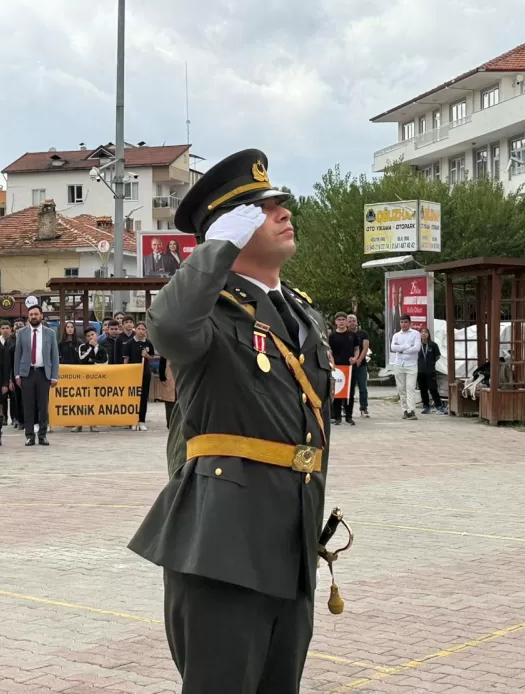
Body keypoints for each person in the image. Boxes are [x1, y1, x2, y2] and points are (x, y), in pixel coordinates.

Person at [128, 148, 333, 693]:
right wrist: (215, 249)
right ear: (230, 227)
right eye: (262, 208)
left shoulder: (301, 312)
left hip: (290, 540)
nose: (283, 211)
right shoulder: (209, 312)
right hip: (223, 545)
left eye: (279, 202)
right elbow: (169, 326)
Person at [13, 305, 60, 447]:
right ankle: (29, 436)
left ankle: (42, 435)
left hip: (43, 373)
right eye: (31, 314)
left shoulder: (50, 333)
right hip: (26, 373)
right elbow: (17, 355)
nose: (33, 316)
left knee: (43, 406)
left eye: (36, 314)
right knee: (28, 406)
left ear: (41, 315)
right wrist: (17, 375)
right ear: (28, 316)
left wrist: (54, 376)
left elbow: (54, 355)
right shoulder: (21, 333)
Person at [124, 321, 157, 431]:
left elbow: (152, 359)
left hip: (145, 374)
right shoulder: (129, 343)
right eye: (139, 329)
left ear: (146, 331)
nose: (141, 331)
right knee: (133, 397)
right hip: (133, 374)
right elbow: (126, 360)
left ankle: (142, 421)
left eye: (143, 329)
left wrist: (147, 355)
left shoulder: (148, 343)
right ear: (135, 329)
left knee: (143, 398)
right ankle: (133, 420)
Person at [328, 312, 357, 426]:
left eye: (343, 319)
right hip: (337, 368)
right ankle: (337, 417)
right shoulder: (332, 336)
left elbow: (356, 349)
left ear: (346, 321)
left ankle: (349, 416)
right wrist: (332, 363)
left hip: (349, 367)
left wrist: (355, 358)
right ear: (335, 322)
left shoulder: (352, 335)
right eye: (339, 319)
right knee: (337, 392)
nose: (341, 321)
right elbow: (329, 351)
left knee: (350, 392)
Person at [390, 314, 421, 420]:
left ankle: (411, 410)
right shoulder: (396, 335)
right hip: (399, 364)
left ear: (410, 323)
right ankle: (405, 410)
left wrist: (402, 350)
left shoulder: (415, 334)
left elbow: (416, 348)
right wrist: (406, 347)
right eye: (402, 322)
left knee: (410, 387)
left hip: (411, 364)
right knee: (401, 388)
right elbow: (393, 347)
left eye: (406, 322)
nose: (404, 324)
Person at [418, 327, 447, 414]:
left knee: (433, 389)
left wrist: (430, 362)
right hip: (420, 371)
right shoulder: (417, 345)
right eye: (421, 332)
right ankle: (426, 407)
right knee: (423, 390)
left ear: (428, 334)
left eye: (425, 332)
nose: (423, 334)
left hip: (430, 371)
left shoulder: (433, 345)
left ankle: (439, 407)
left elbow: (437, 356)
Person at [347, 314, 371, 418]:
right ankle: (346, 408)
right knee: (348, 388)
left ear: (356, 322)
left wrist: (359, 359)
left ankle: (364, 408)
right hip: (348, 364)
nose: (352, 323)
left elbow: (365, 348)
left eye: (353, 321)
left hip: (361, 365)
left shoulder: (363, 333)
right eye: (350, 321)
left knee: (363, 387)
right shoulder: (345, 334)